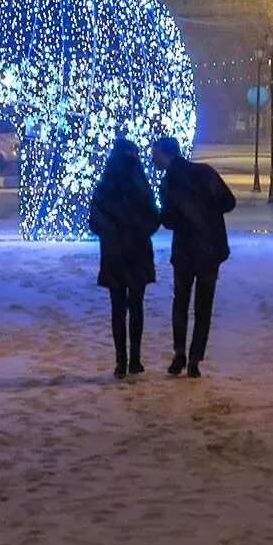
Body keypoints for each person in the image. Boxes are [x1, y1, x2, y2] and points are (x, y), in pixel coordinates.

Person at [153, 135, 234, 378]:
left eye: (155, 153)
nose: (152, 158)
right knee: (204, 306)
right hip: (210, 250)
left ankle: (179, 354)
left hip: (185, 252)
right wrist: (209, 213)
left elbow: (168, 221)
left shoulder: (168, 183)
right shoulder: (206, 173)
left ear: (166, 154)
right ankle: (195, 360)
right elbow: (229, 202)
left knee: (181, 302)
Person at [89, 137, 160, 378]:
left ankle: (121, 361)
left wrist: (112, 233)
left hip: (114, 252)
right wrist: (138, 231)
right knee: (136, 306)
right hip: (137, 251)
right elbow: (154, 216)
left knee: (117, 308)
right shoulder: (140, 184)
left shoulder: (105, 187)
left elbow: (94, 221)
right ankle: (135, 360)